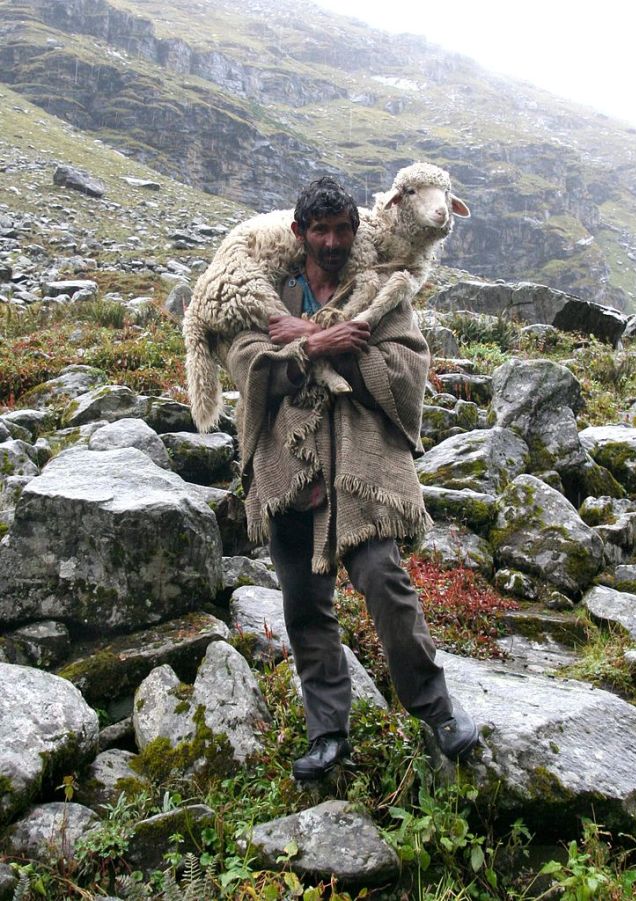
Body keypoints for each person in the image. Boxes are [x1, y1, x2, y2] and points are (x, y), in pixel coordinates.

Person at [225, 176, 478, 780]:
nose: (333, 241)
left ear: (355, 229)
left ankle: (437, 707)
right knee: (304, 606)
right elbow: (245, 363)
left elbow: (406, 371)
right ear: (299, 233)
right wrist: (317, 343)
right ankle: (328, 733)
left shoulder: (382, 291)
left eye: (343, 228)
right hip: (291, 470)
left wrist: (324, 345)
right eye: (321, 230)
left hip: (362, 472)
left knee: (384, 579)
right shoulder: (269, 295)